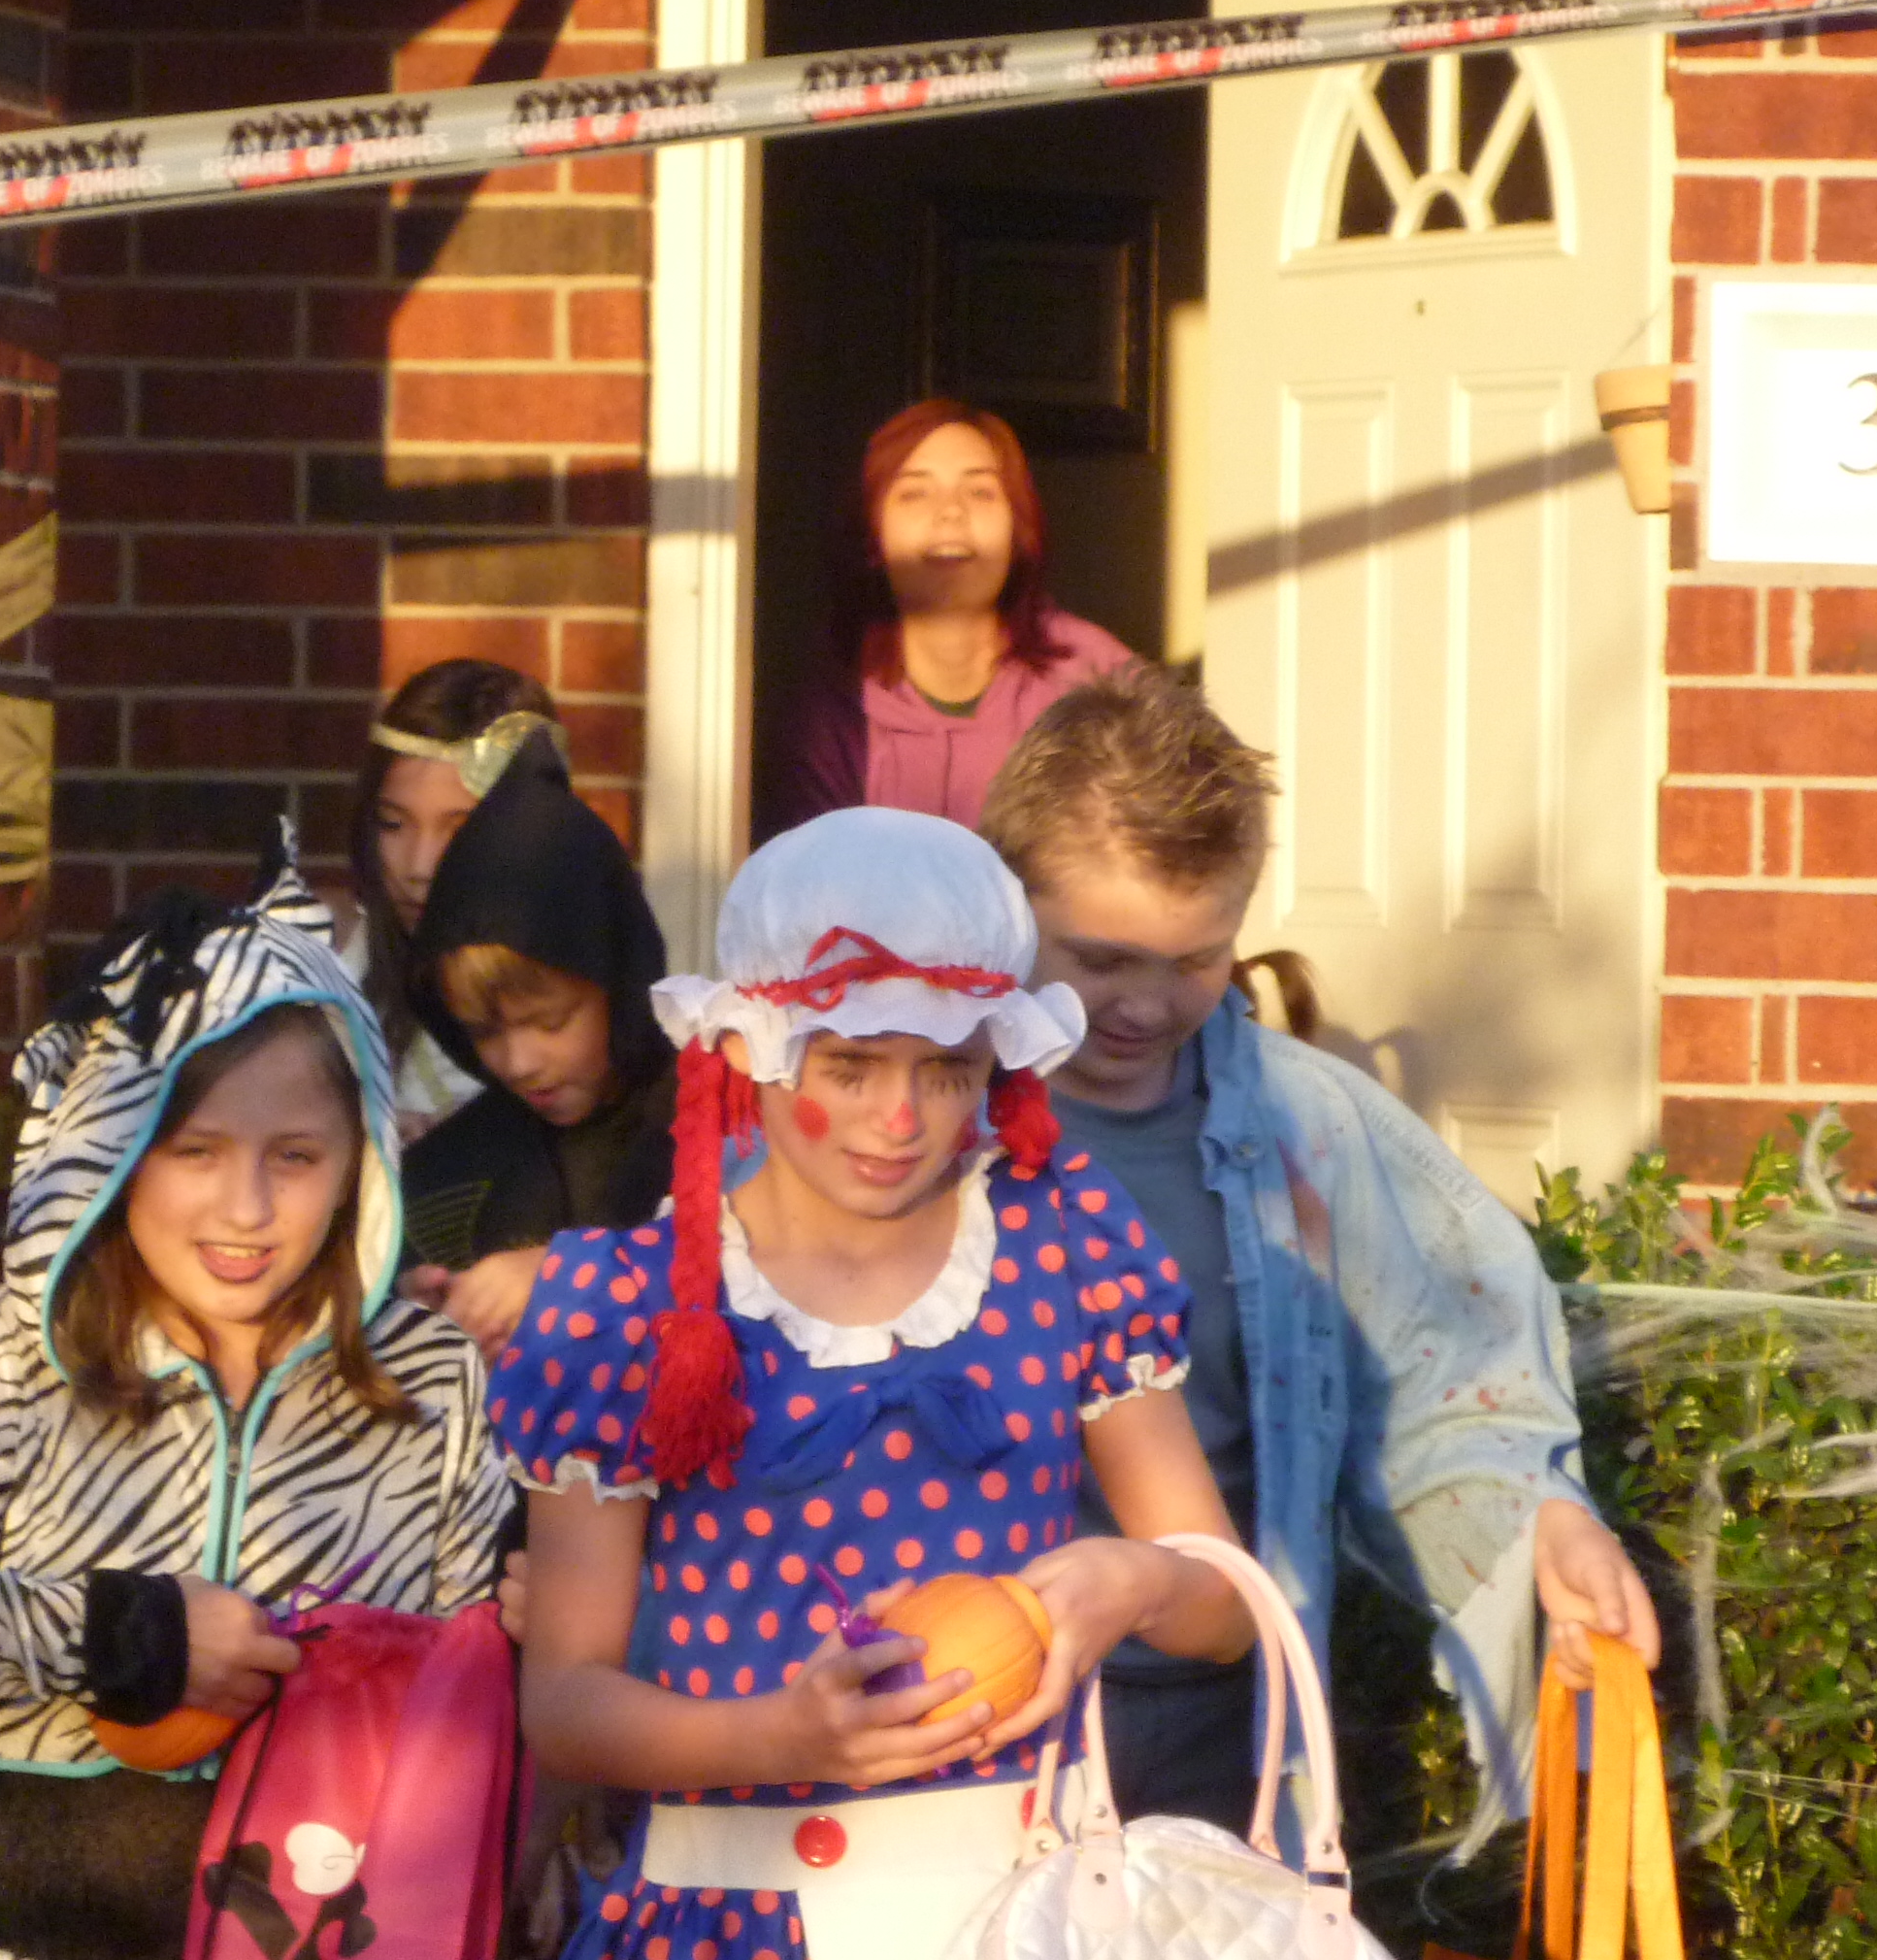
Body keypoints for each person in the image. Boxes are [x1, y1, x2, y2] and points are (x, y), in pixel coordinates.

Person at [498, 807, 1253, 1960]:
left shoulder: (1066, 1243)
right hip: (732, 1913)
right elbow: (564, 1702)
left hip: (1016, 1911)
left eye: (947, 1071)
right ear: (747, 1050)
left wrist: (1139, 1581)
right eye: (849, 1067)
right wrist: (779, 1740)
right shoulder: (627, 1304)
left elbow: (1225, 1610)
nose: (900, 1120)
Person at [980, 664, 1663, 1842]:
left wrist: (1539, 1522)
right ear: (1003, 905)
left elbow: (1444, 1380)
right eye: (1102, 960)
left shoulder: (1313, 1130)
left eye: (1195, 961)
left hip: (1216, 1719)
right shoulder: (915, 1115)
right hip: (960, 1713)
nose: (1145, 1004)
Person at [0, 857, 511, 1960]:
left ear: (363, 1161)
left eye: (296, 1156)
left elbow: (475, 1700)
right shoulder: (15, 1355)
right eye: (195, 1152)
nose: (248, 1206)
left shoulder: (431, 1379)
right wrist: (121, 1633)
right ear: (115, 1150)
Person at [395, 741, 677, 1356]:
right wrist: (413, 1321)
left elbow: (768, 1267)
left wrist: (575, 1278)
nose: (519, 1064)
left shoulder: (714, 1128)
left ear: (617, 982)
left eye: (550, 1022)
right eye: (482, 1032)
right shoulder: (444, 1176)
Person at [772, 400, 1136, 836]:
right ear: (873, 536)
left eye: (979, 492)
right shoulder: (833, 708)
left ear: (1018, 530)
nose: (950, 512)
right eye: (915, 493)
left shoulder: (1099, 679)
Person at [349, 659, 564, 1130]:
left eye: (460, 829)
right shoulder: (331, 972)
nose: (419, 867)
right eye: (393, 823)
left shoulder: (592, 1001)